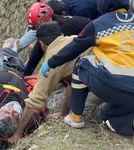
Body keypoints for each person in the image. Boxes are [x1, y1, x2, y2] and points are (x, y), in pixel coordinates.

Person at [40, 0, 134, 136]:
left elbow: (73, 48)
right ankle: (119, 121)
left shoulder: (98, 25)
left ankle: (76, 117)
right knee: (113, 109)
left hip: (113, 85)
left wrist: (50, 63)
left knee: (81, 63)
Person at [9, 21, 91, 143]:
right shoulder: (74, 39)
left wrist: (17, 133)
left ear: (41, 44)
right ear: (60, 34)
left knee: (91, 108)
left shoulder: (53, 61)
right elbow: (72, 82)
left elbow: (35, 102)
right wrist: (63, 113)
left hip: (106, 84)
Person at [18, 2, 91, 75]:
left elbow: (64, 54)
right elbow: (37, 51)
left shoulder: (64, 29)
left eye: (38, 27)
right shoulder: (52, 22)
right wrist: (26, 74)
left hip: (91, 41)